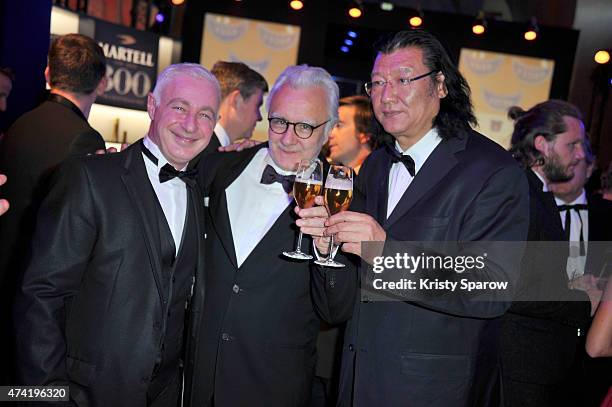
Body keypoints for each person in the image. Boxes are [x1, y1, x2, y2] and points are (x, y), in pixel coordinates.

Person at [298, 29, 529, 406]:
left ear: (440, 85)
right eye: (377, 83)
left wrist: (385, 252)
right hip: (355, 381)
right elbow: (341, 302)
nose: (386, 96)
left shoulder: (492, 171)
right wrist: (328, 250)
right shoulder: (376, 165)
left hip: (431, 390)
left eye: (403, 80)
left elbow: (491, 287)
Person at [14, 63, 220, 406]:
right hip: (86, 393)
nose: (190, 124)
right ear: (153, 106)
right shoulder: (90, 178)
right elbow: (40, 296)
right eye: (180, 107)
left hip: (166, 394)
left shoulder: (199, 193)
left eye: (205, 115)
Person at [183, 65, 357, 407]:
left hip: (272, 387)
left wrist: (326, 251)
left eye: (305, 127)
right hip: (197, 380)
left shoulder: (346, 199)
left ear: (329, 130)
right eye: (279, 121)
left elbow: (335, 311)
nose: (288, 138)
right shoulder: (221, 166)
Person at [0, 33, 107, 385]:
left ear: (48, 74)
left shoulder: (17, 125)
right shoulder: (86, 140)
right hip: (40, 303)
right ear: (102, 83)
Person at [503, 99, 593, 406]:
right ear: (542, 144)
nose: (581, 155)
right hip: (518, 370)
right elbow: (510, 286)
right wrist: (582, 299)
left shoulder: (537, 192)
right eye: (573, 145)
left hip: (533, 368)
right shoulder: (521, 193)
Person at [207, 60, 268, 151]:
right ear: (237, 100)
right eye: (257, 106)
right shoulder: (207, 151)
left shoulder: (207, 145)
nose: (260, 117)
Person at [327, 95, 375, 174]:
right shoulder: (331, 175)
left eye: (339, 125)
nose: (330, 135)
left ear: (364, 135)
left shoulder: (380, 180)